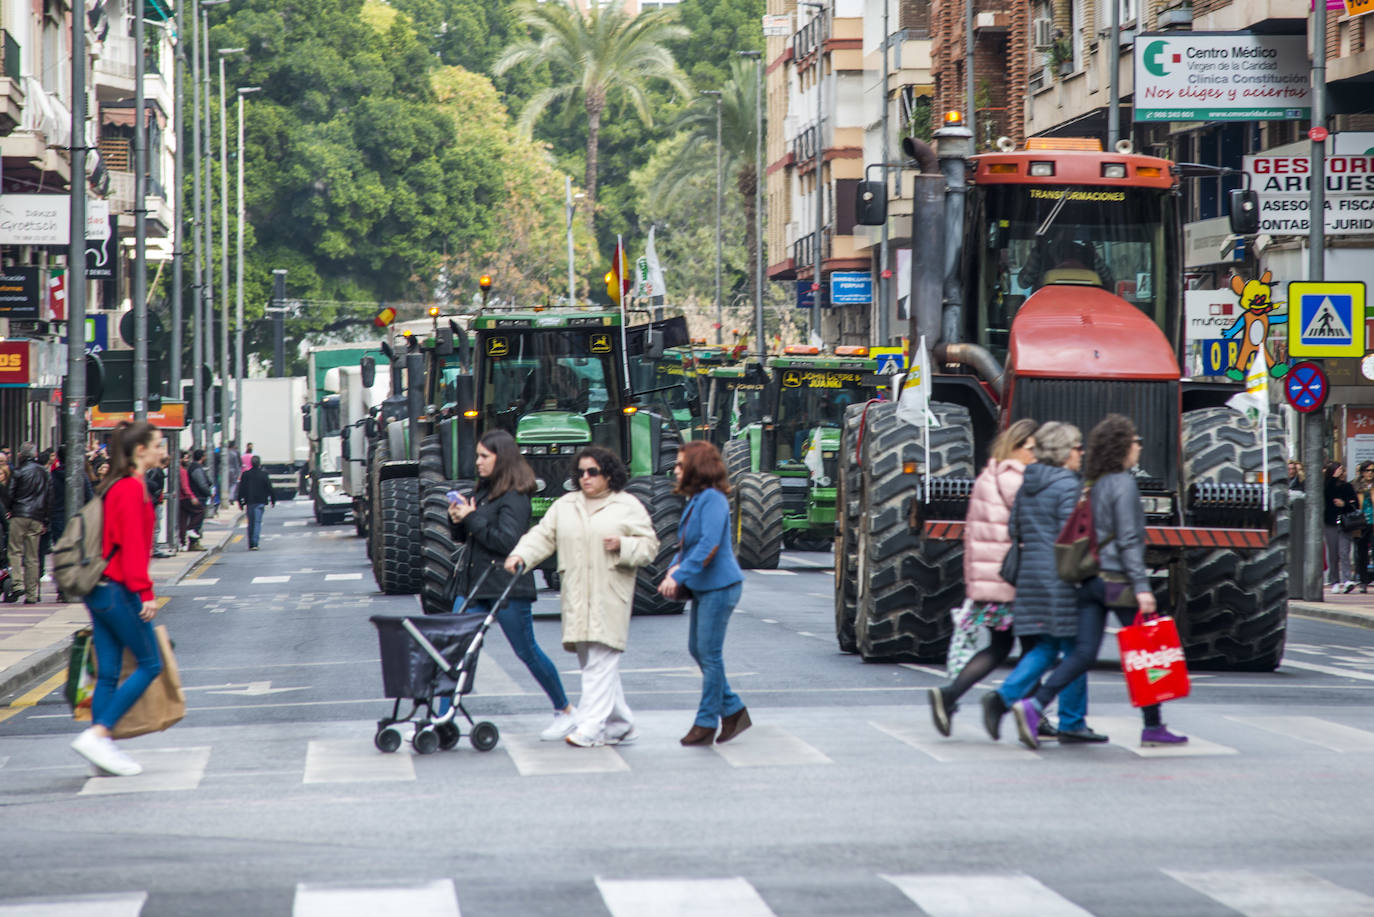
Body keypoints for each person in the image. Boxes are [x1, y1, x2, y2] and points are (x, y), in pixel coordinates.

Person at [1011, 414, 1188, 749]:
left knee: (1083, 653)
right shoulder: (1122, 484)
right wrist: (1141, 587)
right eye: (1136, 441)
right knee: (1145, 652)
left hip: (1090, 580)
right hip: (1118, 581)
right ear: (1123, 447)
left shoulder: (1095, 483)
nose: (1139, 446)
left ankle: (1034, 705)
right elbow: (1128, 540)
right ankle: (1153, 726)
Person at [506, 446, 659, 748]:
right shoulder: (566, 505)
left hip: (610, 594)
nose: (585, 478)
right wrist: (520, 555)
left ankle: (590, 726)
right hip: (576, 595)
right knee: (591, 659)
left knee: (599, 664)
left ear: (609, 475)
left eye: (593, 472)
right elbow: (542, 536)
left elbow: (650, 546)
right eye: (581, 472)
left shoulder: (626, 505)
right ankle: (621, 724)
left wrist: (624, 545)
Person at [447, 430, 574, 740]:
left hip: (505, 586)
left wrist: (473, 517)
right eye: (477, 455)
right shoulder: (484, 491)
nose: (477, 462)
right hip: (474, 585)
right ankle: (441, 719)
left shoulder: (515, 496)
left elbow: (506, 541)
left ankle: (565, 710)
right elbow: (471, 538)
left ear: (501, 459)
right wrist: (458, 519)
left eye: (484, 456)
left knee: (526, 650)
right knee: (450, 649)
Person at [979, 422, 1097, 744]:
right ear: (1062, 452)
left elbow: (1015, 529)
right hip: (1061, 577)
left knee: (1046, 647)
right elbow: (1073, 537)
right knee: (1075, 651)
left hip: (1030, 576)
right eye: (1076, 447)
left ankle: (1003, 699)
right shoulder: (1068, 486)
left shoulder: (1028, 483)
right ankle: (1071, 721)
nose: (1080, 453)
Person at [70, 420, 169, 777]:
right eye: (158, 444)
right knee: (151, 663)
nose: (163, 450)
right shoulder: (130, 488)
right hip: (117, 588)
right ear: (140, 451)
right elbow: (131, 548)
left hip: (101, 589)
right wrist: (145, 593)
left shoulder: (122, 485)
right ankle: (99, 733)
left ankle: (102, 750)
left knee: (109, 672)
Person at [929, 419, 1039, 736]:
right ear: (1015, 447)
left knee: (1001, 647)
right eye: (1031, 449)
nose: (1035, 456)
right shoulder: (1016, 479)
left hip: (990, 579)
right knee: (1035, 651)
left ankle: (950, 695)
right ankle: (1024, 712)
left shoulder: (988, 476)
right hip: (1013, 580)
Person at [657, 441, 749, 746]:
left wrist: (679, 574)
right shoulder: (697, 499)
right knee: (699, 651)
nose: (675, 469)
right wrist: (673, 568)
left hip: (720, 586)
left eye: (681, 465)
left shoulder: (713, 499)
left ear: (697, 468)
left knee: (709, 655)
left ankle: (707, 721)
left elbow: (709, 545)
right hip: (706, 586)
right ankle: (733, 709)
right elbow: (688, 546)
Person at [5, 443, 52, 604]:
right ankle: (31, 594)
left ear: (21, 455)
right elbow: (47, 498)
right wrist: (45, 519)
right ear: (35, 454)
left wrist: (10, 509)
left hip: (19, 514)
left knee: (15, 551)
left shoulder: (18, 472)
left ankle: (17, 584)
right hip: (37, 517)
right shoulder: (44, 473)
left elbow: (10, 494)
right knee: (33, 557)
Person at [1324, 461, 1358, 594]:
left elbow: (1354, 504)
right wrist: (1333, 478)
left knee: (1344, 552)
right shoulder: (1326, 485)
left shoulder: (1347, 486)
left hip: (1345, 523)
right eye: (1338, 470)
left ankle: (1347, 579)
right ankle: (1334, 581)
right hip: (1330, 523)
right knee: (1332, 554)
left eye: (1342, 470)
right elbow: (1326, 494)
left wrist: (1344, 504)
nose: (1341, 473)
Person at [237, 455, 276, 550]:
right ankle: (255, 543)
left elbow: (241, 489)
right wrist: (273, 500)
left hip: (249, 502)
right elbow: (270, 488)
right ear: (259, 464)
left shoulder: (245, 474)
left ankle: (251, 543)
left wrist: (240, 502)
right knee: (257, 522)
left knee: (251, 523)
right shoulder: (264, 474)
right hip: (260, 502)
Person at [178, 452, 206, 551]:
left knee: (182, 520)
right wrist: (192, 497)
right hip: (185, 498)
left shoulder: (177, 470)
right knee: (200, 511)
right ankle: (191, 529)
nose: (187, 460)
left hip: (179, 499)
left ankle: (182, 543)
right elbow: (185, 487)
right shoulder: (183, 471)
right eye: (185, 458)